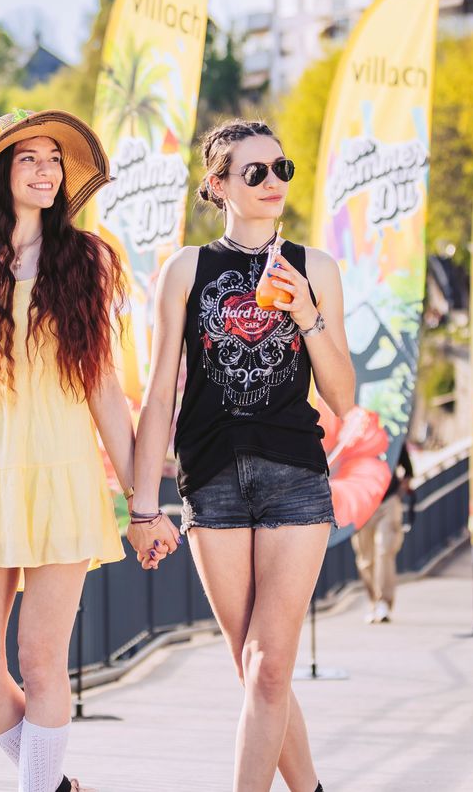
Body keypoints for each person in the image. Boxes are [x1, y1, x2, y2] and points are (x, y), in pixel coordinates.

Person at [0, 101, 135, 792]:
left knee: (41, 663)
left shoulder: (89, 260)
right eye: (28, 158)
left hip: (62, 476)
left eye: (53, 159)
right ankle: (57, 786)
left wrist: (144, 501)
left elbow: (105, 392)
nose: (45, 170)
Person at [130, 119, 355, 792]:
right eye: (254, 172)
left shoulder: (316, 267)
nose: (271, 182)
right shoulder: (185, 270)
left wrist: (308, 312)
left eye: (281, 169)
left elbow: (343, 397)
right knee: (255, 667)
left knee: (268, 669)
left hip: (294, 477)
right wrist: (144, 507)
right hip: (212, 482)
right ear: (218, 184)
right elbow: (157, 395)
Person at [352, 442, 415, 624]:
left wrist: (399, 492)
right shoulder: (354, 432)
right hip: (363, 502)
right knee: (365, 558)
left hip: (388, 501)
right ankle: (373, 601)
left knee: (384, 550)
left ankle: (384, 602)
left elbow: (408, 470)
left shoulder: (393, 433)